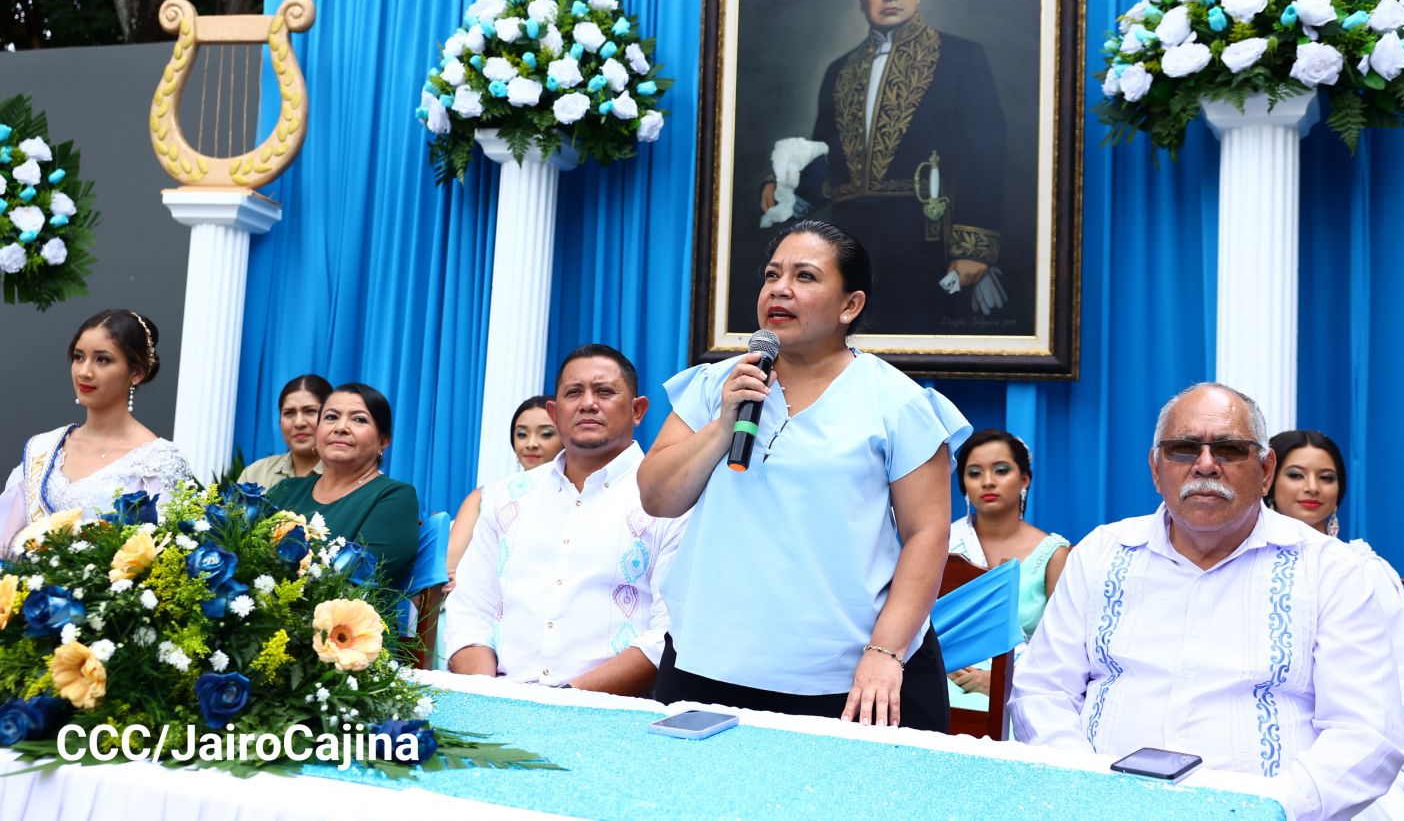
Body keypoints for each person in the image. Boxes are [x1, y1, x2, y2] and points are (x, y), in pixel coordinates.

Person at [1009, 383, 1404, 820]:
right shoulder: (1101, 554)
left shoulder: (1332, 571)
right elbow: (1043, 691)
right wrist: (1088, 791)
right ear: (1156, 468)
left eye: (1230, 449)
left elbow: (1364, 734)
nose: (1205, 465)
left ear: (1266, 469)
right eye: (1182, 448)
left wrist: (1265, 810)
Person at [639, 220, 969, 731]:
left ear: (850, 306)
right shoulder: (716, 384)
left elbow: (927, 534)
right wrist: (723, 423)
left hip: (847, 678)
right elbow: (657, 496)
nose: (780, 288)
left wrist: (885, 652)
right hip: (710, 661)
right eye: (772, 275)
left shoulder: (897, 402)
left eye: (806, 277)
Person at [760, 0, 1009, 330]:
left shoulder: (961, 58)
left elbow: (986, 155)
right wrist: (787, 189)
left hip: (925, 237)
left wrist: (972, 247)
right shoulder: (839, 70)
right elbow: (828, 157)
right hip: (848, 242)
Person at [443, 346, 685, 696]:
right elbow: (470, 609)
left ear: (638, 410)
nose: (588, 403)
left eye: (604, 391)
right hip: (498, 706)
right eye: (574, 392)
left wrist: (561, 701)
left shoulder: (669, 498)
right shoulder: (508, 496)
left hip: (612, 717)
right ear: (555, 414)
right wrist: (489, 697)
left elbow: (667, 633)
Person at [0, 309, 191, 591]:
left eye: (103, 360)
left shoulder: (157, 462)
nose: (85, 371)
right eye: (78, 356)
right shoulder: (44, 449)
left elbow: (162, 564)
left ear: (136, 373)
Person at [1267, 429, 1404, 811]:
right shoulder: (1232, 568)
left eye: (1326, 477)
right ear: (1267, 481)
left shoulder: (1364, 570)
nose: (1312, 487)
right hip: (1253, 768)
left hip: (1351, 769)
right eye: (1296, 474)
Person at [946, 428, 1069, 710]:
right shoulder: (943, 542)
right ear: (963, 485)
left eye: (1001, 470)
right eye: (974, 473)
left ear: (1024, 479)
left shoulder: (1054, 555)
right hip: (943, 685)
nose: (987, 482)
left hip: (1020, 694)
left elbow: (1064, 648)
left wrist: (1001, 681)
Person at [268, 382, 418, 589]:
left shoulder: (394, 498)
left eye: (359, 419)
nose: (340, 427)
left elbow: (351, 585)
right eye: (331, 417)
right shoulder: (285, 490)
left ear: (383, 441)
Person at [444, 395, 559, 592]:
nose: (531, 443)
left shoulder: (579, 497)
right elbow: (449, 567)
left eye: (546, 434)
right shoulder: (487, 496)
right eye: (522, 434)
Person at [238, 374, 332, 489]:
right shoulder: (256, 474)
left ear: (330, 418)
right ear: (279, 421)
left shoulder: (346, 476)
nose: (299, 423)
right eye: (289, 413)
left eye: (310, 411)